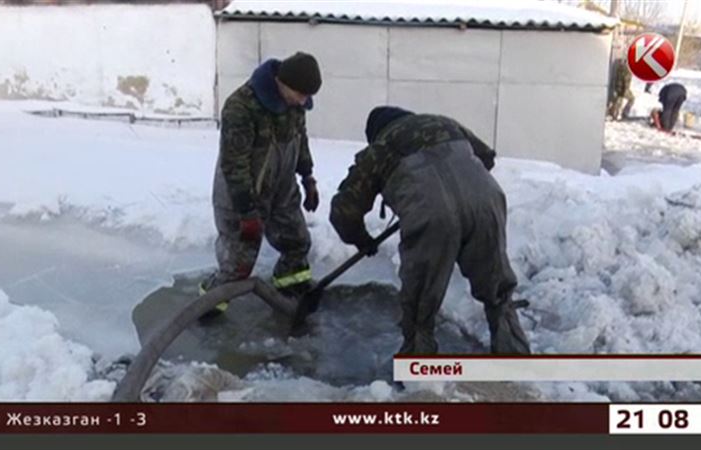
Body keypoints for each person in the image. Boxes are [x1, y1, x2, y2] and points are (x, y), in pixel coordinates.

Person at [329, 107, 531, 355]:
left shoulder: (379, 149)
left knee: (420, 302)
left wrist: (361, 239)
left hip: (430, 212)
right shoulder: (445, 123)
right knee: (498, 289)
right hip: (486, 202)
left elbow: (343, 210)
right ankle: (515, 357)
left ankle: (419, 372)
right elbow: (487, 157)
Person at [200, 52, 322, 316]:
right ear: (282, 82)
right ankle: (208, 306)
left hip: (282, 190)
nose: (304, 101)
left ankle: (291, 289)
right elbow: (234, 164)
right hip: (242, 194)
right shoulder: (241, 106)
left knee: (297, 242)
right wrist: (246, 212)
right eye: (300, 94)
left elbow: (299, 139)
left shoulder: (296, 104)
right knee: (237, 266)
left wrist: (308, 176)